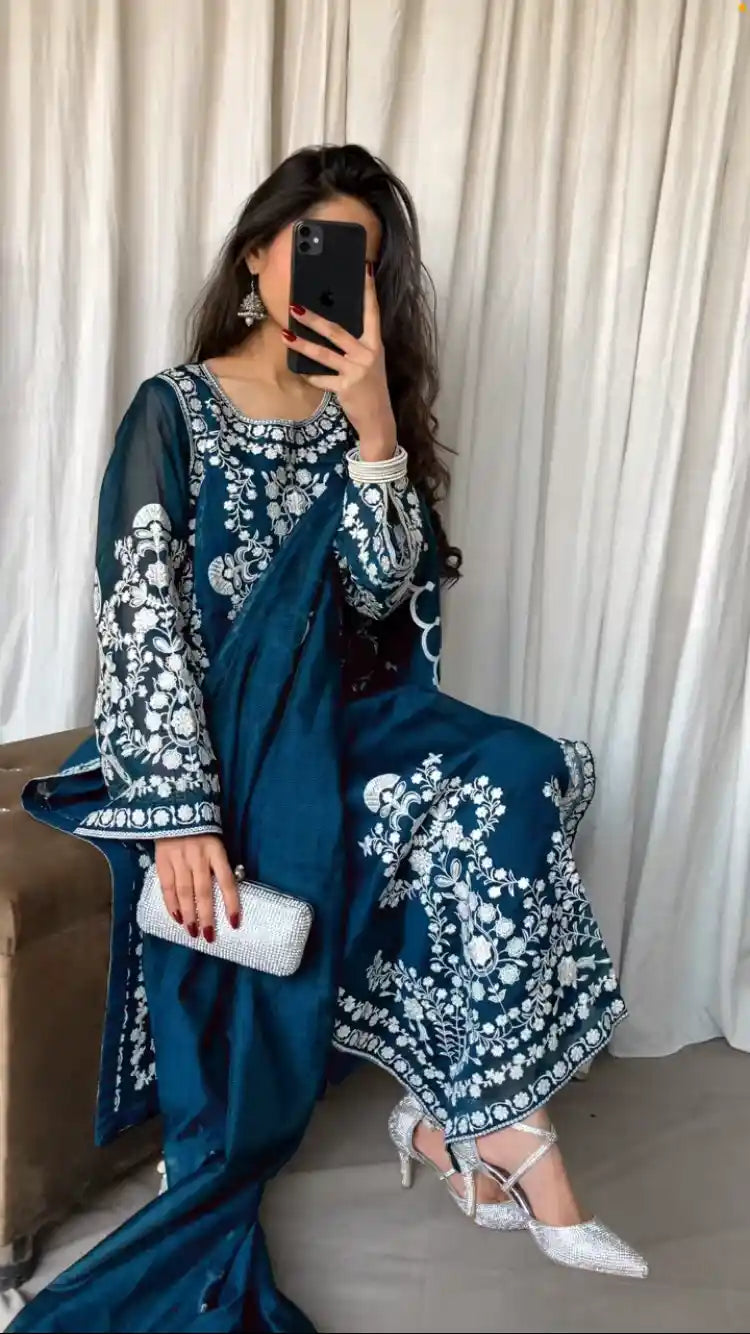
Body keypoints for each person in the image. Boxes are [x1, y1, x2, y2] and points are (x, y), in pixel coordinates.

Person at [10, 144, 646, 1334]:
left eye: (361, 264)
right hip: (217, 748)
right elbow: (140, 617)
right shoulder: (174, 410)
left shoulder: (359, 413)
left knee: (524, 769)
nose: (336, 280)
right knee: (481, 788)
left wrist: (376, 429)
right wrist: (183, 814)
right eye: (318, 249)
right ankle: (486, 1136)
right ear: (261, 254)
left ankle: (487, 1118)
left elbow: (378, 595)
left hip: (340, 724)